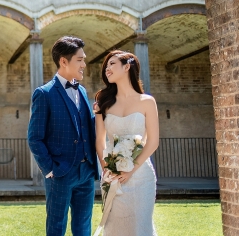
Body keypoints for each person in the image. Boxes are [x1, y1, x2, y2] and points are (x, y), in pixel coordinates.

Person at [28, 36, 98, 236]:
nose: (84, 64)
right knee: (56, 227)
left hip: (86, 172)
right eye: (79, 60)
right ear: (64, 61)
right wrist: (50, 169)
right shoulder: (44, 93)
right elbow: (35, 137)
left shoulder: (82, 91)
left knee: (83, 227)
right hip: (60, 173)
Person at [94, 50, 159, 236]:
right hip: (113, 178)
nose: (107, 69)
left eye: (112, 64)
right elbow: (100, 140)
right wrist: (107, 169)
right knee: (115, 227)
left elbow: (153, 141)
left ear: (127, 67)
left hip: (141, 176)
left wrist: (131, 170)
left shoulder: (147, 102)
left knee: (140, 227)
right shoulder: (103, 102)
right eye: (106, 66)